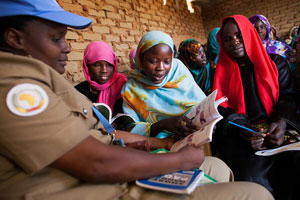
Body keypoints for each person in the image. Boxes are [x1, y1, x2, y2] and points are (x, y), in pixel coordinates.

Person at [0, 1, 274, 200]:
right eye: (56, 38)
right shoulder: (15, 86)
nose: (67, 47)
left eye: (167, 61)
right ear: (15, 38)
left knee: (219, 166)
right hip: (105, 186)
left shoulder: (45, 79)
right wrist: (174, 157)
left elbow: (103, 133)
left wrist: (164, 144)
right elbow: (97, 162)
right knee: (255, 194)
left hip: (124, 163)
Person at [212, 14, 300, 200]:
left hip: (278, 127)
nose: (234, 42)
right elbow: (221, 110)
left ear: (250, 34)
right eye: (227, 39)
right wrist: (245, 131)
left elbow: (288, 98)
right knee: (253, 179)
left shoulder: (277, 64)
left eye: (239, 34)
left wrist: (281, 122)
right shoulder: (219, 75)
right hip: (242, 133)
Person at [75, 41, 127, 115]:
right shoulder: (79, 92)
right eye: (97, 65)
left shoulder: (123, 87)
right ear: (87, 66)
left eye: (109, 65)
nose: (104, 70)